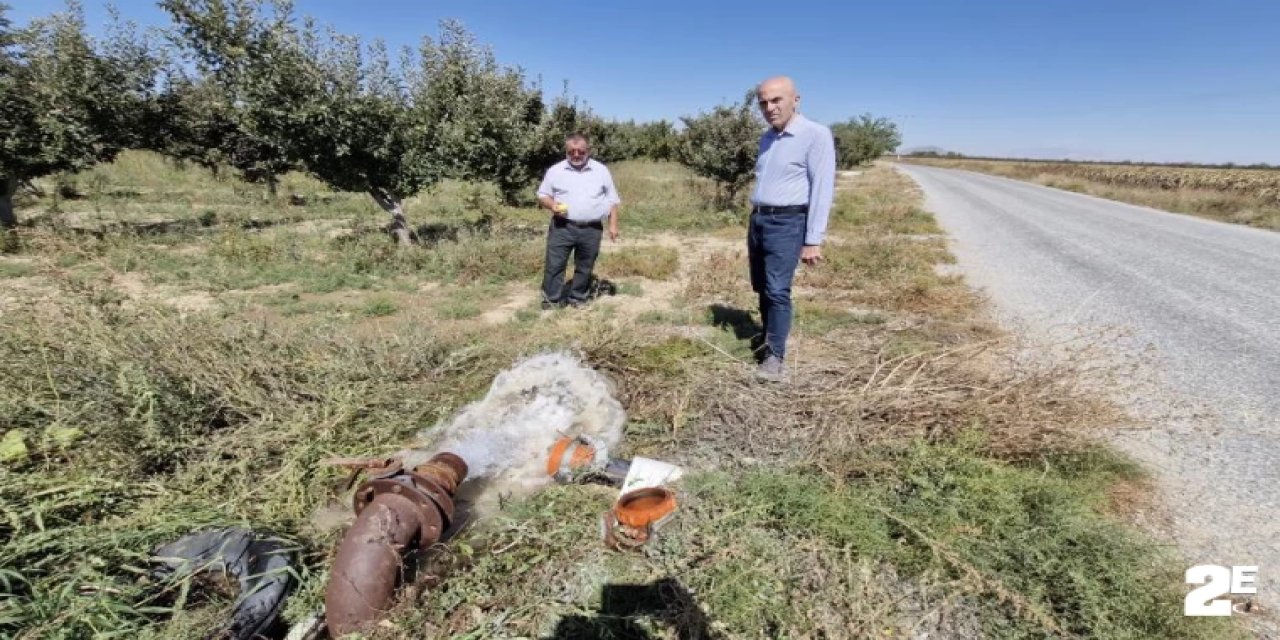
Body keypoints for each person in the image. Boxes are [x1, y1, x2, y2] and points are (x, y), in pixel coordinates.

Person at [748, 76, 836, 381]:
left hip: (787, 222)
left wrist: (813, 240)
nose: (769, 108)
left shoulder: (815, 135)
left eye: (776, 100)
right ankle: (768, 336)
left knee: (777, 289)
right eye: (763, 102)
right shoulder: (767, 138)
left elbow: (822, 189)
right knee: (761, 286)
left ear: (795, 99)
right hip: (758, 219)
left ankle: (775, 357)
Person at [536, 133, 622, 309]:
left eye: (580, 151)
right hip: (562, 227)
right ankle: (551, 301)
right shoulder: (555, 170)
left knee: (585, 266)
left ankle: (577, 299)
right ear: (566, 151)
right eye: (571, 151)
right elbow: (543, 195)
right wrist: (552, 205)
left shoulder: (601, 170)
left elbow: (611, 199)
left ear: (588, 151)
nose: (576, 155)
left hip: (592, 229)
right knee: (555, 265)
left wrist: (613, 225)